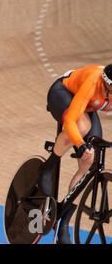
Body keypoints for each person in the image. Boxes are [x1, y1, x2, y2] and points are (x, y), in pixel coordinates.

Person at [39, 64, 112, 244]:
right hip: (62, 93)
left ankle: (64, 222)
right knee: (82, 127)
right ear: (108, 85)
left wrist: (85, 150)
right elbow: (71, 120)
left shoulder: (107, 88)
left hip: (85, 107)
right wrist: (79, 145)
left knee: (90, 161)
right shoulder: (93, 81)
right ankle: (48, 167)